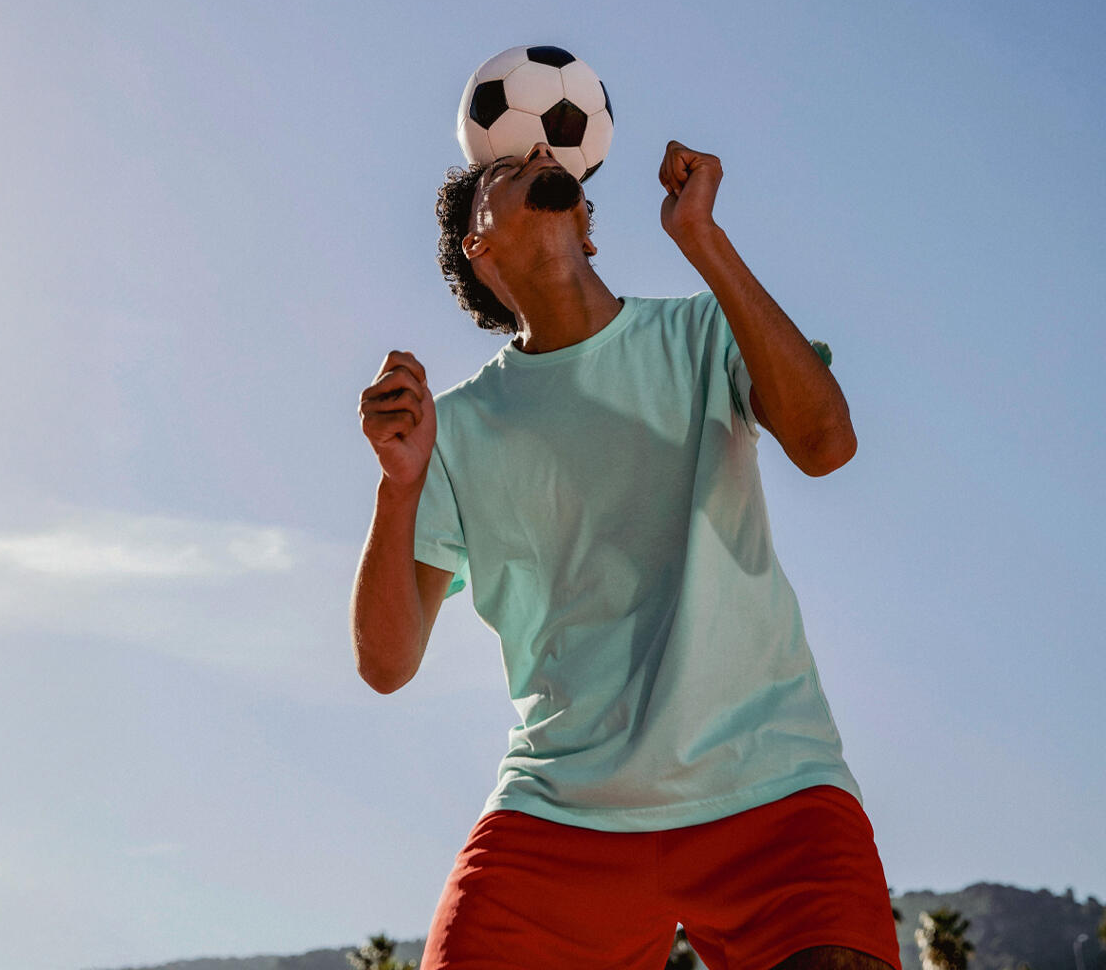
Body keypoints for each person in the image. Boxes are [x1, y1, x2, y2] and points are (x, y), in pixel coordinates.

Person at [351, 140, 899, 970]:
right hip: (559, 815)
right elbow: (386, 663)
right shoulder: (450, 430)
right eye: (504, 170)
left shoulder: (703, 329)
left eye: (547, 155)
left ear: (588, 228)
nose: (539, 149)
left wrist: (701, 238)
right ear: (479, 246)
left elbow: (828, 443)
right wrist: (398, 486)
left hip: (772, 788)